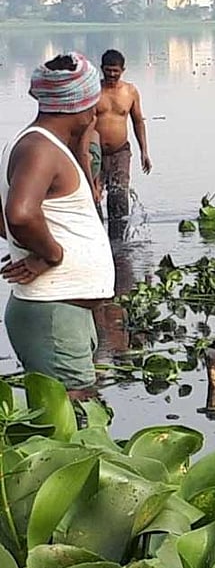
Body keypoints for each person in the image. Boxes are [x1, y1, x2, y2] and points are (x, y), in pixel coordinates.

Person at [0, 52, 115, 394]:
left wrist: (26, 245)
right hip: (52, 313)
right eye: (93, 104)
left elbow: (6, 214)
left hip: (61, 311)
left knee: (75, 420)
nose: (96, 113)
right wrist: (49, 254)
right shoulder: (40, 150)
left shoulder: (32, 144)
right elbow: (19, 213)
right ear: (77, 106)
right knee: (75, 424)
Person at [95, 49, 151, 227]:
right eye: (108, 70)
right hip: (95, 153)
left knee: (119, 197)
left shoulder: (130, 91)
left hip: (120, 152)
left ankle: (120, 248)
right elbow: (83, 125)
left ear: (123, 70)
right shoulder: (94, 91)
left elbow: (138, 122)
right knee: (92, 197)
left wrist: (144, 152)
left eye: (115, 70)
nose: (112, 74)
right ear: (102, 69)